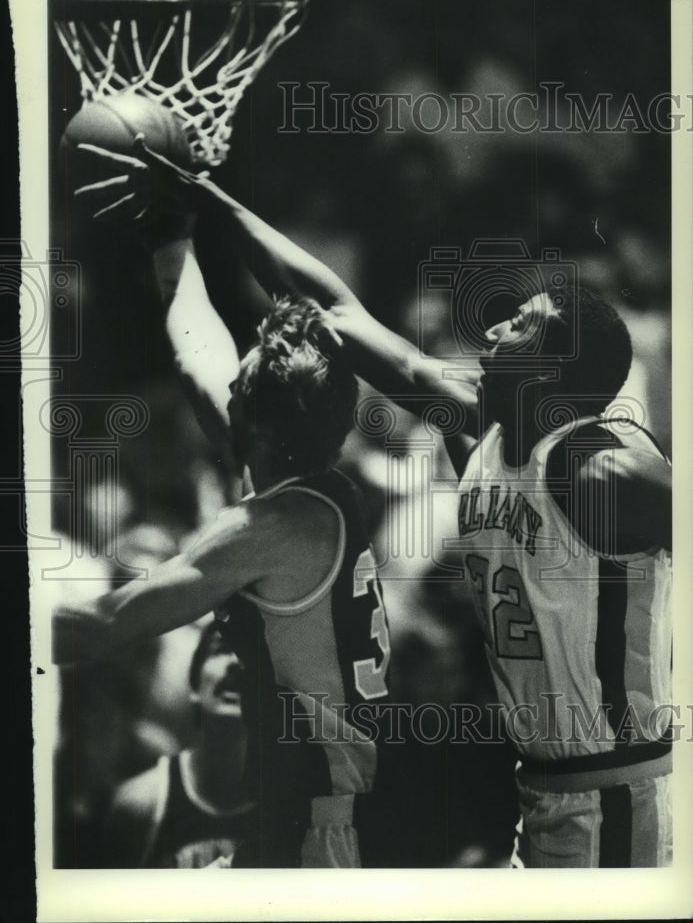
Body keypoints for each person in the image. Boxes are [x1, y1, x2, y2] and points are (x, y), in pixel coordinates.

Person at [83, 137, 672, 868]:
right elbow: (333, 307)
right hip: (537, 789)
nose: (492, 326)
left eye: (521, 324)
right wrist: (211, 200)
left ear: (553, 375)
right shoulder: (475, 425)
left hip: (618, 792)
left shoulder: (601, 468)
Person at [52, 148, 392, 868]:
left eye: (236, 385)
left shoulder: (272, 527)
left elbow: (104, 628)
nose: (223, 384)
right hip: (298, 806)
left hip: (319, 830)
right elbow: (194, 348)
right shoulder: (296, 471)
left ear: (257, 424)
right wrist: (169, 233)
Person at [104, 623, 259, 868]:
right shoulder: (139, 806)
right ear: (194, 687)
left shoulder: (293, 808)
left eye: (252, 655)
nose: (235, 663)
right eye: (221, 649)